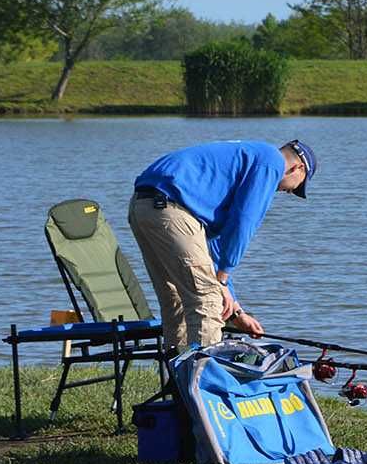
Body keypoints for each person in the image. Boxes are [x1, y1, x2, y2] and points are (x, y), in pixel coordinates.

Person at [127, 138, 316, 353]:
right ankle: (206, 381)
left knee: (177, 300)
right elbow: (244, 220)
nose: (288, 192)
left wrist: (236, 311)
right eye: (297, 187)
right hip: (171, 209)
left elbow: (214, 247)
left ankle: (179, 377)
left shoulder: (247, 158)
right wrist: (222, 280)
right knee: (206, 301)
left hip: (144, 206)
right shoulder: (271, 162)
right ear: (297, 167)